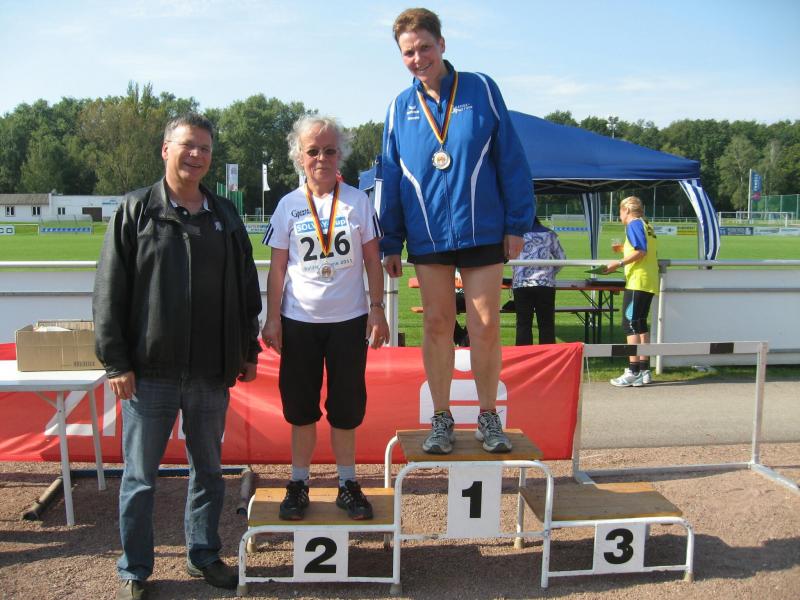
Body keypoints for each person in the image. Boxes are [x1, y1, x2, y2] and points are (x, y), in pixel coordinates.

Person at [93, 113, 262, 600]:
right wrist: (116, 362)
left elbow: (246, 291)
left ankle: (203, 554)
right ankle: (135, 568)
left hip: (211, 371)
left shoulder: (225, 215)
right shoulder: (135, 211)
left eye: (205, 148)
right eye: (188, 145)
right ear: (166, 149)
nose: (197, 155)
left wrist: (247, 349)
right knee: (140, 478)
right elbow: (109, 291)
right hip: (149, 372)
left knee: (208, 471)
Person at [381, 8, 535, 454]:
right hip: (427, 233)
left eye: (425, 47)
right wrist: (390, 240)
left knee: (485, 324)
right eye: (408, 52)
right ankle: (441, 417)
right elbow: (390, 176)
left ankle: (488, 416)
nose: (418, 59)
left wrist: (517, 223)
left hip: (482, 228)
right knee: (436, 323)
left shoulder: (481, 89)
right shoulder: (399, 108)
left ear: (442, 44)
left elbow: (511, 157)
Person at [261, 115, 389, 521]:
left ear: (340, 155)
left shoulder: (358, 201)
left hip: (349, 321)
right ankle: (298, 482)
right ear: (299, 156)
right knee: (300, 408)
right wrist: (272, 317)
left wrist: (377, 309)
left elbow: (372, 261)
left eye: (330, 150)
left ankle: (347, 483)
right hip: (298, 321)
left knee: (346, 408)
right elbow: (277, 269)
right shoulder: (288, 205)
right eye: (313, 151)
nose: (322, 158)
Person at [604, 196, 658, 387]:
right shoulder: (646, 225)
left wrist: (618, 263)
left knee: (629, 325)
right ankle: (644, 370)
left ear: (626, 210)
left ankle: (633, 370)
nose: (619, 216)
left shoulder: (633, 224)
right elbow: (642, 248)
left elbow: (641, 251)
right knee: (640, 324)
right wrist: (624, 249)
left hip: (637, 281)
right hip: (649, 279)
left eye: (619, 212)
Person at [512, 217, 566, 345]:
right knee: (546, 324)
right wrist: (551, 273)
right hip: (545, 285)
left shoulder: (515, 235)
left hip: (521, 285)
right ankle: (548, 355)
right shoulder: (549, 234)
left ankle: (524, 355)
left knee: (523, 324)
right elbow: (562, 258)